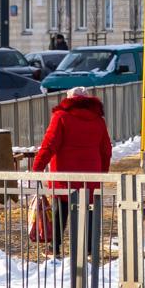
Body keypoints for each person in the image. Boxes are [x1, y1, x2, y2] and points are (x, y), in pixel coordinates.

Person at [30, 87, 113, 251]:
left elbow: (49, 145)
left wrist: (37, 166)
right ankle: (88, 248)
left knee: (60, 210)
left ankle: (55, 247)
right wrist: (102, 172)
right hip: (90, 175)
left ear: (69, 99)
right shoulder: (98, 120)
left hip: (64, 175)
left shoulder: (61, 117)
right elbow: (106, 150)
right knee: (88, 210)